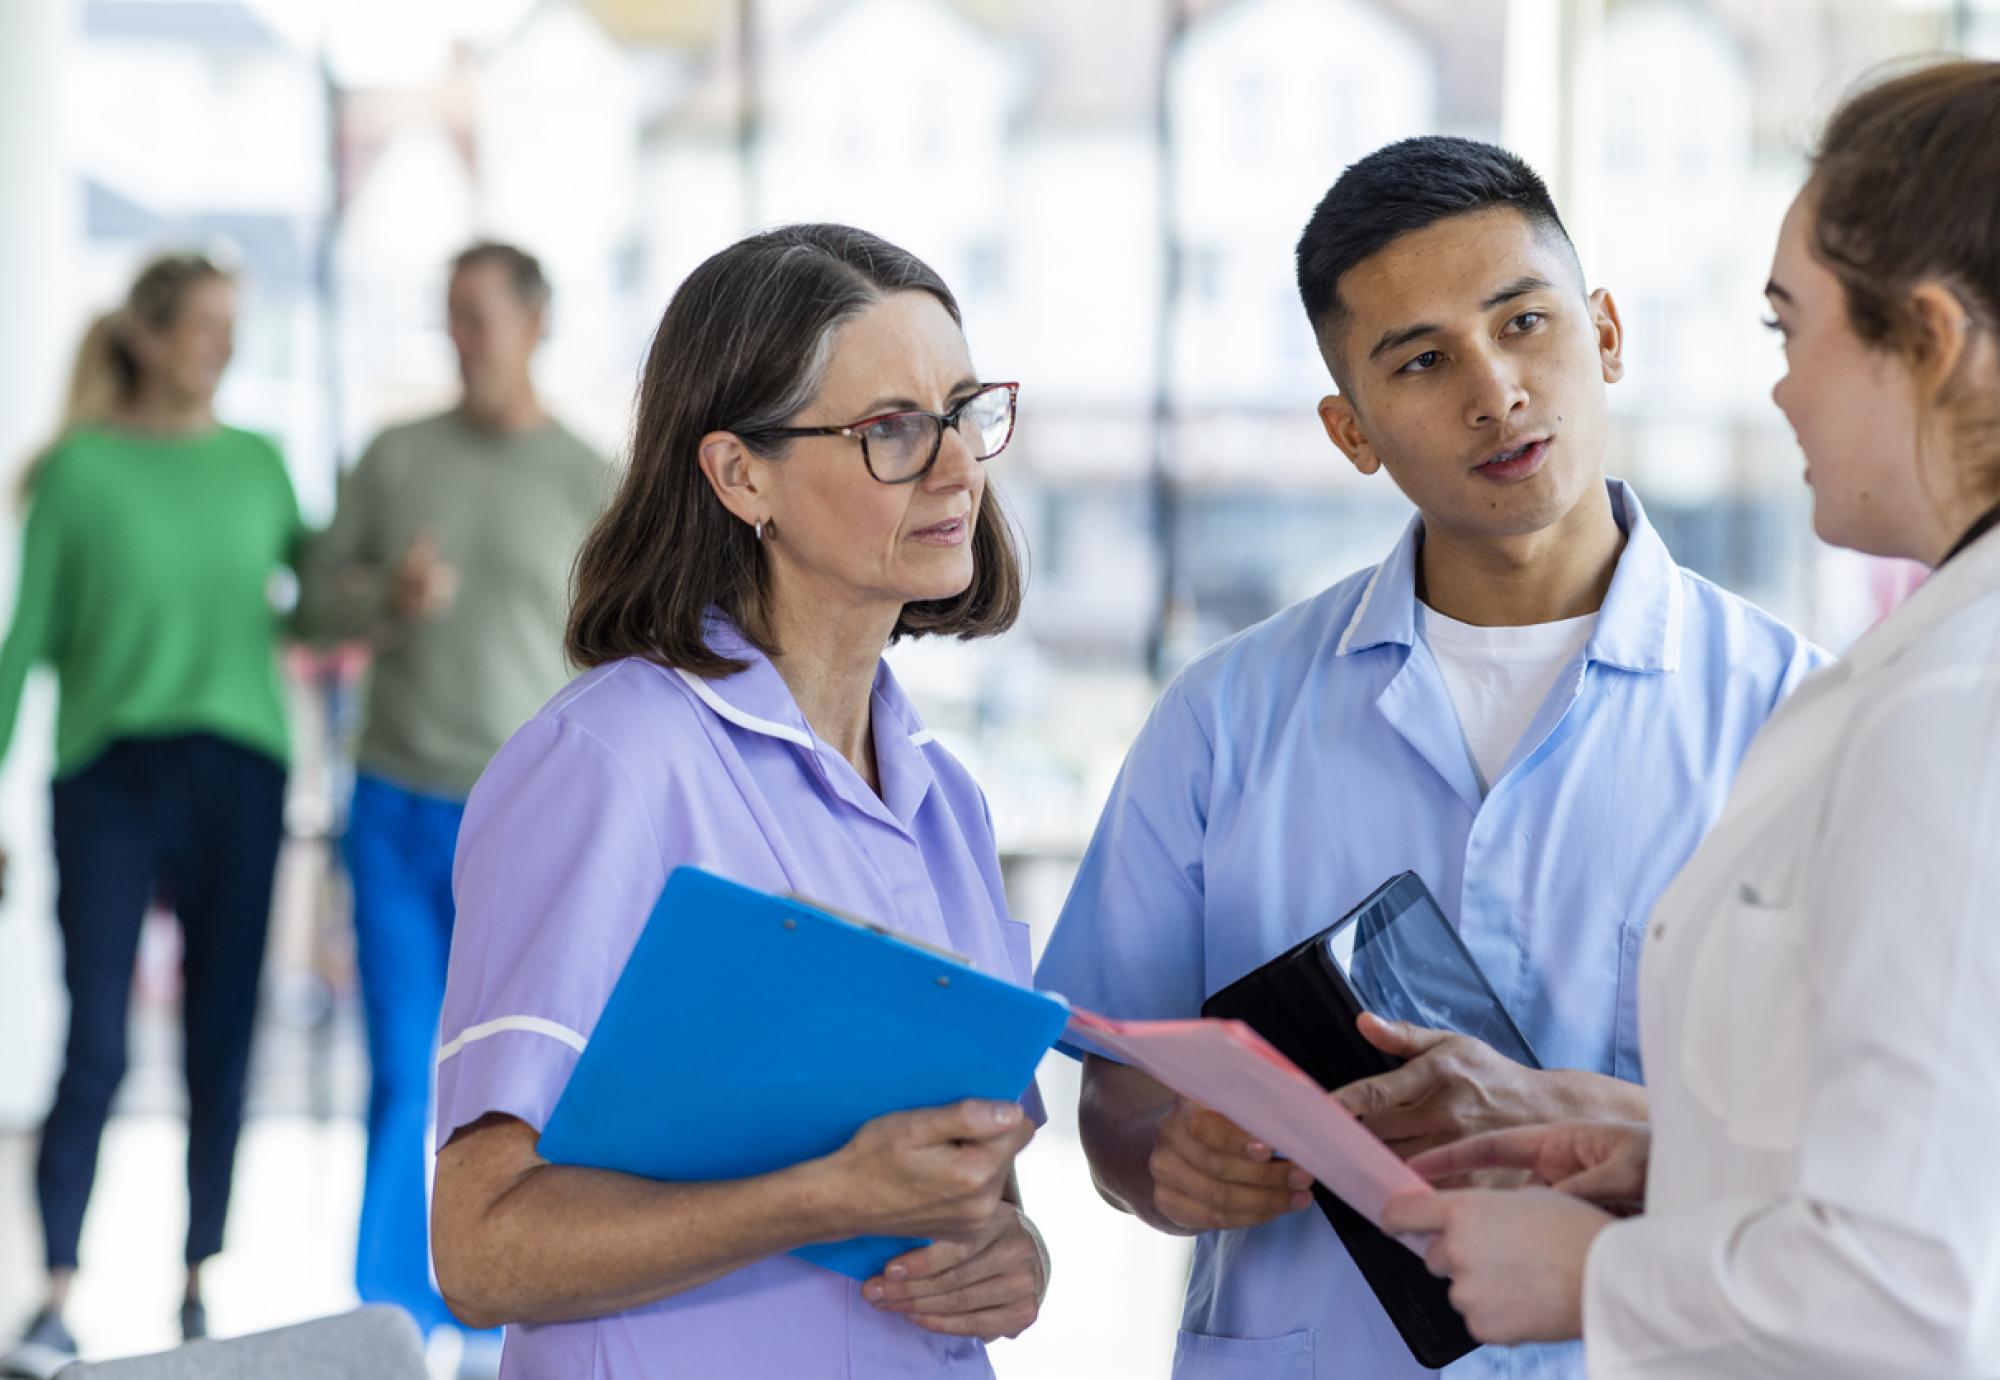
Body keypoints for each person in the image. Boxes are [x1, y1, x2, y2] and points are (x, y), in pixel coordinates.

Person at [1033, 137, 1823, 1379]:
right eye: (1421, 360)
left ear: (1606, 333)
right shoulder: (1220, 721)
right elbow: (1116, 1099)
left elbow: (1882, 1146)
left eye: (1523, 322)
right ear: (1349, 429)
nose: (1494, 389)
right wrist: (1165, 1159)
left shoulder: (1800, 722)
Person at [1383, 59, 2000, 1378]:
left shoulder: (1955, 707)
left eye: (1792, 329)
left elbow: (1926, 1289)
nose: (1779, 388)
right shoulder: (1928, 671)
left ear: (1929, 342)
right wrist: (1693, 1165)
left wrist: (1598, 1276)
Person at [427, 224, 1047, 1377]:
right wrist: (815, 1198)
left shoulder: (941, 799)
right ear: (737, 473)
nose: (957, 463)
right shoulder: (606, 764)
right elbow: (479, 1248)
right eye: (893, 432)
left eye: (964, 412)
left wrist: (1013, 1259)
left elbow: (967, 1189)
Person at [294, 241, 607, 1343]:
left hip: (524, 825)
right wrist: (386, 593)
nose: (461, 338)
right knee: (399, 1069)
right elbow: (309, 616)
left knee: (509, 1089)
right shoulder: (392, 458)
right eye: (450, 316)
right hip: (392, 806)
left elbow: (625, 660)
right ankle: (391, 1331)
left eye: (479, 315)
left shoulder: (590, 480)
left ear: (535, 321)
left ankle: (493, 1322)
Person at [0, 253, 301, 1377]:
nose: (222, 347)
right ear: (147, 336)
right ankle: (56, 1289)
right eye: (205, 328)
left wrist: (390, 591)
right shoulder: (76, 474)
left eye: (234, 327)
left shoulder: (260, 464)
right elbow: (22, 645)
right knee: (95, 1044)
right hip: (109, 779)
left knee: (221, 1036)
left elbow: (318, 595)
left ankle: (196, 1279)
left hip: (240, 773)